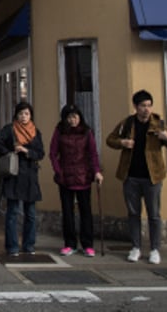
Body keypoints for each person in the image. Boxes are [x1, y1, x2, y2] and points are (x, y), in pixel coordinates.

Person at [105, 89, 167, 265]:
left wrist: (166, 138)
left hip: (153, 177)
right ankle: (135, 248)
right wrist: (122, 142)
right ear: (136, 107)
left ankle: (154, 249)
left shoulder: (158, 123)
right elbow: (110, 139)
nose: (146, 109)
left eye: (149, 105)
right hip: (131, 176)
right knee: (133, 213)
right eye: (143, 106)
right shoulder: (127, 123)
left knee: (154, 215)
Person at [0, 100, 45, 257]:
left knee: (30, 213)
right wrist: (11, 150)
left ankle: (29, 245)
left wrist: (26, 151)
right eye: (21, 113)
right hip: (13, 175)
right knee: (12, 212)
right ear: (16, 114)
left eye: (27, 114)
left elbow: (41, 153)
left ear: (31, 116)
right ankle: (12, 247)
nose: (24, 117)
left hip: (30, 176)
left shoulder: (36, 132)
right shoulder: (9, 130)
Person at [48, 103, 103, 257]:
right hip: (65, 177)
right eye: (69, 117)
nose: (72, 120)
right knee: (67, 212)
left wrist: (97, 171)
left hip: (83, 175)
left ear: (80, 117)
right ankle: (69, 243)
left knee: (86, 211)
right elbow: (53, 153)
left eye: (75, 117)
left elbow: (93, 154)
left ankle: (88, 244)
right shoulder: (59, 131)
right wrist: (58, 171)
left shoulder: (87, 132)